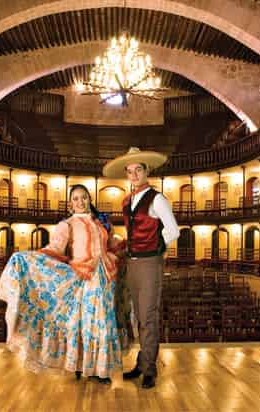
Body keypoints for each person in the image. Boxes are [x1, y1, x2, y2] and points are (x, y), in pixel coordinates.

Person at [0, 184, 123, 383]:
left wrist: (118, 247)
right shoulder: (68, 224)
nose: (80, 202)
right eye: (75, 199)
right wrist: (30, 257)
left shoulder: (101, 222)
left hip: (106, 275)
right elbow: (55, 249)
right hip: (83, 276)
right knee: (87, 322)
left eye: (84, 197)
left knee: (104, 321)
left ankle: (100, 368)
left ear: (89, 199)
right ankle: (84, 366)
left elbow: (111, 245)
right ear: (70, 204)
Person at [103, 147, 180, 389]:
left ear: (147, 171)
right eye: (130, 171)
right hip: (132, 263)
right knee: (137, 316)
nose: (134, 174)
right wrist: (121, 246)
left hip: (149, 263)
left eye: (138, 169)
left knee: (148, 317)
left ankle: (150, 370)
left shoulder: (157, 198)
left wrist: (153, 247)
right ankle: (141, 362)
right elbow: (134, 234)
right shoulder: (127, 201)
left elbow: (173, 230)